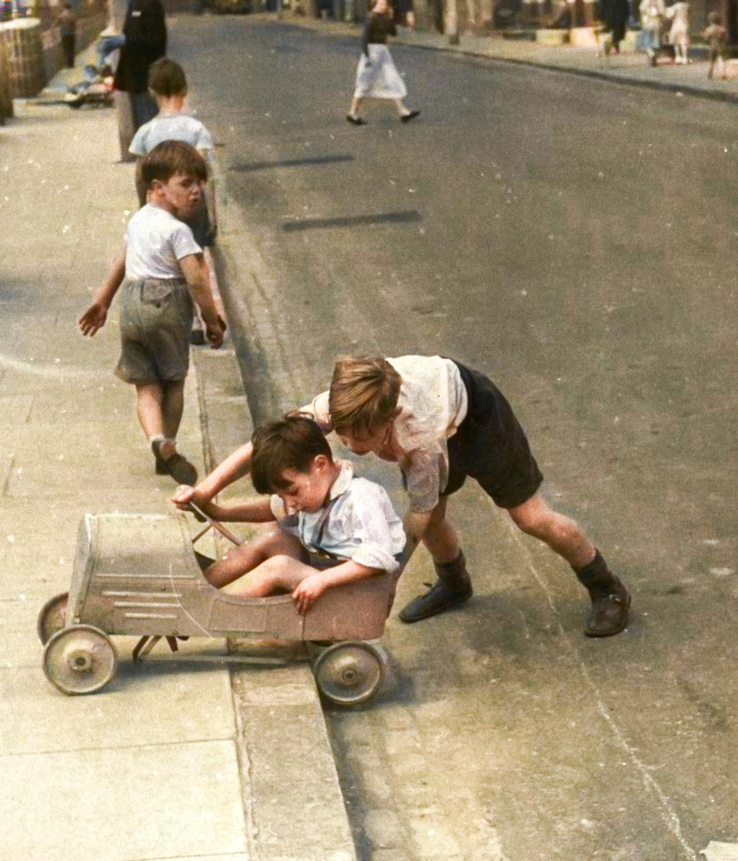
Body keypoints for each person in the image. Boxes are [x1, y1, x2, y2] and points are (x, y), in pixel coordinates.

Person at [175, 356, 632, 638]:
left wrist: (386, 583)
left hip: (478, 418)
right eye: (344, 434)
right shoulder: (345, 402)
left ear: (390, 417)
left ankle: (605, 586)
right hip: (433, 401)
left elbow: (420, 513)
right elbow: (271, 442)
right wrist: (207, 488)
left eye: (364, 438)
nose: (350, 447)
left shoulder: (419, 438)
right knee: (436, 520)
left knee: (530, 518)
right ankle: (456, 582)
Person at [77, 141, 226, 485]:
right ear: (157, 189)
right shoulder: (179, 231)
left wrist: (103, 301)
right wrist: (211, 319)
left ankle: (157, 442)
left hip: (131, 304)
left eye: (199, 184)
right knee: (173, 380)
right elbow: (196, 281)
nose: (197, 192)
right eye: (186, 184)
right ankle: (170, 444)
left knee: (145, 385)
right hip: (167, 304)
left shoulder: (138, 221)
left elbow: (122, 262)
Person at [192, 416, 407, 612]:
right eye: (283, 496)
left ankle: (205, 613)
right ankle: (193, 592)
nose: (290, 503)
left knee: (279, 567)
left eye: (293, 492)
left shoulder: (360, 496)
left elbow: (379, 557)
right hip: (327, 580)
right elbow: (271, 509)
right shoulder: (317, 489)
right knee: (274, 536)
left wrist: (322, 581)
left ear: (320, 465)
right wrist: (220, 512)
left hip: (359, 597)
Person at [130, 58, 217, 249]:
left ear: (152, 91)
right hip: (191, 209)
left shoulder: (145, 132)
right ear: (184, 90)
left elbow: (140, 178)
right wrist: (212, 214)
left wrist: (142, 207)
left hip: (160, 207)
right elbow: (207, 177)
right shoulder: (197, 129)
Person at [347, 0, 420, 126]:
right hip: (373, 52)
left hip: (383, 52)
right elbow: (364, 38)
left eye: (384, 4)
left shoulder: (383, 18)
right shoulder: (371, 18)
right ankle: (352, 113)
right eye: (380, 4)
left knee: (392, 79)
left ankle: (403, 112)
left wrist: (390, 18)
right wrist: (367, 57)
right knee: (364, 83)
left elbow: (393, 32)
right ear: (374, 5)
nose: (382, 6)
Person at [113, 0, 167, 162]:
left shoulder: (150, 4)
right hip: (134, 80)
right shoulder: (134, 4)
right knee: (143, 131)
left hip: (146, 79)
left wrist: (126, 41)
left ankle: (155, 167)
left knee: (149, 129)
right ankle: (147, 168)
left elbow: (157, 41)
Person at [636, 0, 665, 65]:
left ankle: (651, 54)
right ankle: (653, 59)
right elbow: (662, 12)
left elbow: (641, 9)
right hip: (656, 23)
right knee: (655, 41)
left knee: (646, 41)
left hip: (647, 23)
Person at [702, 11, 727, 80]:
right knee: (722, 60)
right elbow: (724, 38)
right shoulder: (722, 29)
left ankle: (710, 74)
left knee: (712, 61)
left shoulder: (708, 29)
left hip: (712, 46)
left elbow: (706, 39)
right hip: (721, 46)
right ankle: (723, 74)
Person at [664, 0, 690, 64]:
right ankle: (685, 57)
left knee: (676, 41)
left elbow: (669, 15)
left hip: (676, 24)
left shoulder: (675, 7)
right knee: (683, 41)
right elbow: (689, 16)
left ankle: (678, 57)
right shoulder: (687, 6)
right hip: (684, 24)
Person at [56, 2, 77, 68]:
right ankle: (71, 64)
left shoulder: (61, 16)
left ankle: (67, 64)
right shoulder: (72, 15)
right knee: (71, 49)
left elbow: (56, 24)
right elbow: (75, 25)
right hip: (71, 34)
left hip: (64, 34)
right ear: (70, 8)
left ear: (64, 8)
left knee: (66, 49)